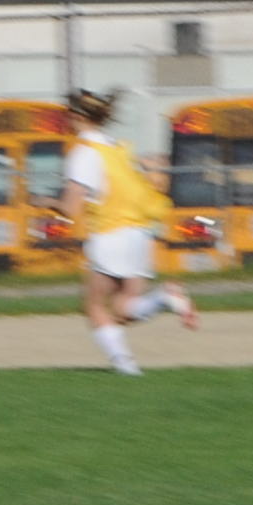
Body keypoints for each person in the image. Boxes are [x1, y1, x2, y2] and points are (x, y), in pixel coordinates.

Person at [65, 90, 196, 375]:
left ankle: (126, 365)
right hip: (139, 233)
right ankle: (165, 298)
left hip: (109, 233)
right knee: (125, 308)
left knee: (94, 306)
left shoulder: (84, 151)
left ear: (77, 117)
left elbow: (71, 208)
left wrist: (44, 202)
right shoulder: (117, 148)